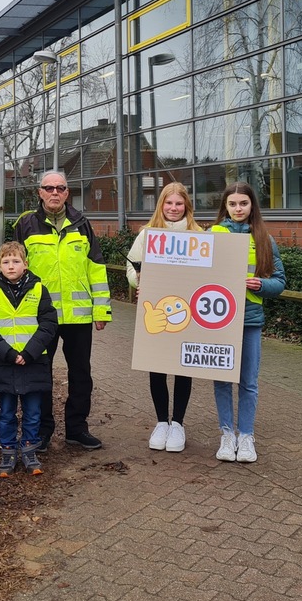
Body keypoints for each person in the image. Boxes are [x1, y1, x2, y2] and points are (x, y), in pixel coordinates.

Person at [13, 170, 112, 451]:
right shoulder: (26, 224)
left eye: (60, 188)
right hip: (41, 317)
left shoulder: (81, 223)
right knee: (40, 374)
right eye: (49, 188)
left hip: (78, 316)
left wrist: (101, 310)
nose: (54, 192)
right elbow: (14, 268)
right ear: (40, 192)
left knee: (81, 373)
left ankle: (77, 429)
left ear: (67, 193)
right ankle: (42, 431)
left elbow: (96, 267)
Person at [210, 182, 286, 464]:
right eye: (232, 204)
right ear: (225, 206)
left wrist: (261, 284)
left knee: (248, 382)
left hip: (250, 320)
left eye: (243, 203)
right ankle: (227, 434)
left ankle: (246, 436)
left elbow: (280, 282)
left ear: (252, 205)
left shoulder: (264, 238)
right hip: (217, 320)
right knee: (221, 380)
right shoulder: (213, 235)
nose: (238, 209)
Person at [126, 182, 203, 453]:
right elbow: (131, 265)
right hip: (156, 311)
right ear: (161, 205)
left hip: (187, 312)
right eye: (168, 203)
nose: (173, 208)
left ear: (186, 206)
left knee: (183, 368)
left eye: (179, 204)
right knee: (156, 367)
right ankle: (161, 422)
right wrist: (138, 281)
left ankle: (178, 424)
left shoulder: (199, 235)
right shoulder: (148, 234)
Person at [0, 241, 58, 477]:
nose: (11, 266)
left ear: (25, 264)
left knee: (34, 411)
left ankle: (30, 450)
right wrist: (10, 354)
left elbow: (48, 324)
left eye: (16, 261)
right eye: (5, 262)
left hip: (34, 361)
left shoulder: (39, 290)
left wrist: (28, 352)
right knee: (6, 411)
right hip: (5, 361)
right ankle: (8, 452)